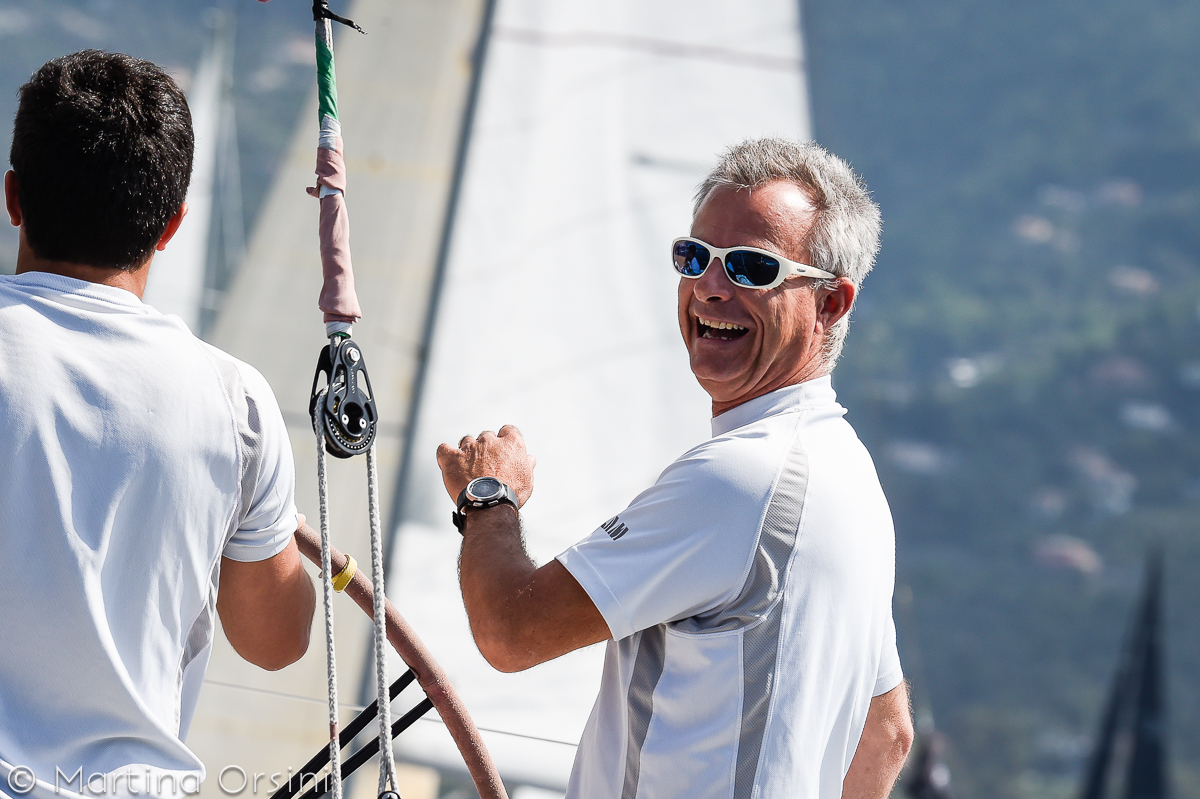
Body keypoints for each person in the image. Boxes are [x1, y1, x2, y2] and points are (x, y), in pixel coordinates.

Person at [436, 138, 914, 798]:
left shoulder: (740, 480)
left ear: (831, 304)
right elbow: (887, 736)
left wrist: (489, 495)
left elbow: (509, 631)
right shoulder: (852, 481)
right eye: (695, 258)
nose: (710, 288)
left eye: (751, 267)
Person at [0, 51, 314, 798]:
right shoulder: (237, 404)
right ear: (172, 225)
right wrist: (273, 528)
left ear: (13, 196)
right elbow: (275, 641)